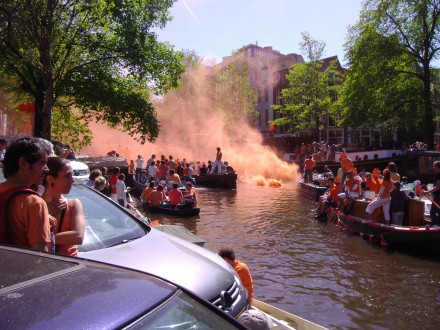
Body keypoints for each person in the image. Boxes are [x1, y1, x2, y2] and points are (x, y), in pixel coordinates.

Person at [0, 137, 52, 251]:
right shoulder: (34, 203)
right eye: (42, 163)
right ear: (23, 163)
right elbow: (40, 254)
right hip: (19, 268)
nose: (47, 169)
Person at [42, 157, 85, 256]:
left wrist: (44, 239)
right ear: (50, 179)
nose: (73, 181)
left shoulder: (73, 204)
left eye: (72, 175)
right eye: (67, 176)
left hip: (70, 265)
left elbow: (78, 236)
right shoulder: (35, 204)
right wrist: (46, 215)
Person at [422, 160, 440, 226]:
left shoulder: (439, 175)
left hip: (438, 196)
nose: (433, 168)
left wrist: (427, 191)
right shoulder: (438, 175)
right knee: (437, 210)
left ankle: (434, 225)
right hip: (437, 195)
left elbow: (438, 187)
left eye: (434, 166)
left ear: (438, 167)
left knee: (433, 211)